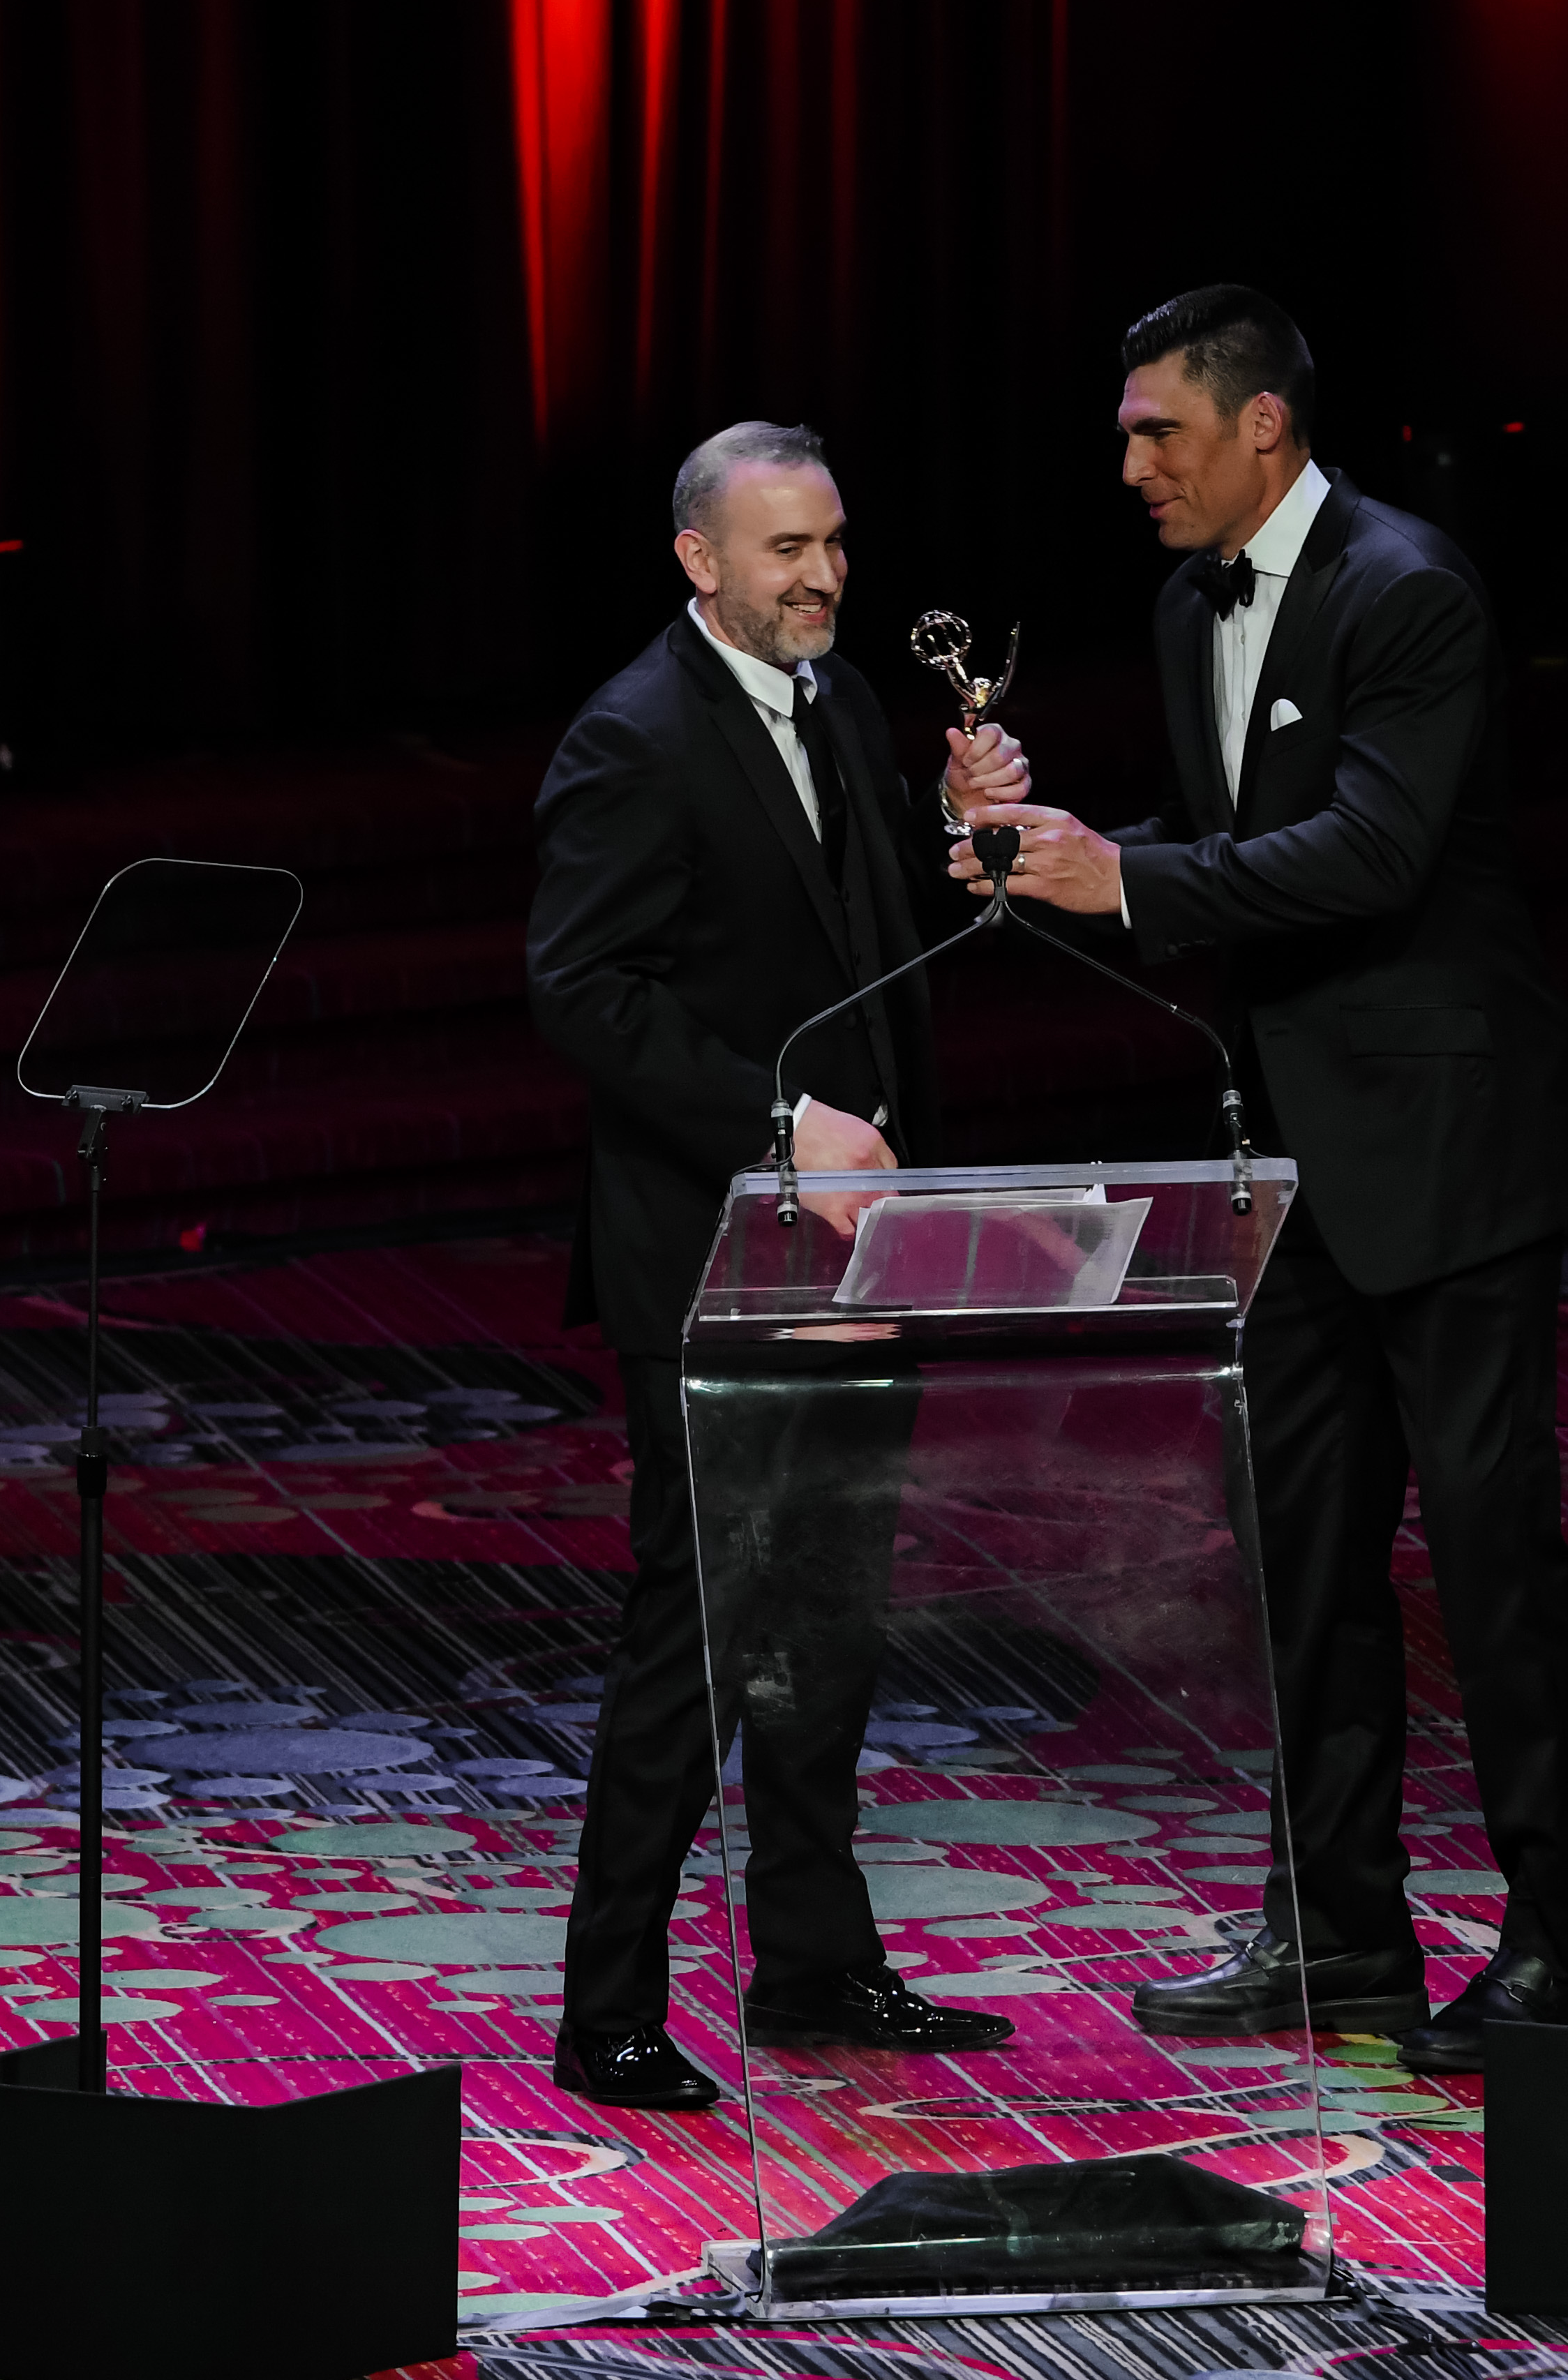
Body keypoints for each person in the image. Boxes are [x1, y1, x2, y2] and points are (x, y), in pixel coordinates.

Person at [952, 287, 1568, 2074]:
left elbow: (1376, 853)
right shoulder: (1192, 605)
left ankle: (1563, 1954)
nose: (1131, 468)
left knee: (1493, 1565)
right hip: (1297, 1163)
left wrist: (1129, 880)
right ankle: (1336, 1934)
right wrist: (1054, 855)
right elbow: (1238, 854)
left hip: (1452, 1158)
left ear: (1261, 425)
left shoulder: (1407, 588)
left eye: (1156, 432)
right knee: (1303, 1565)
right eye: (1124, 435)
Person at [527, 419, 1032, 2110]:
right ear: (700, 560)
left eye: (833, 544)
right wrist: (777, 1125)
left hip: (864, 1248)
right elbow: (582, 992)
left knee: (830, 1618)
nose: (822, 577)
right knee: (700, 1626)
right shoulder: (633, 735)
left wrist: (952, 830)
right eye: (785, 550)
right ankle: (607, 2008)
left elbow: (849, 922)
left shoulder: (840, 702)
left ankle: (813, 1963)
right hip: (714, 1259)